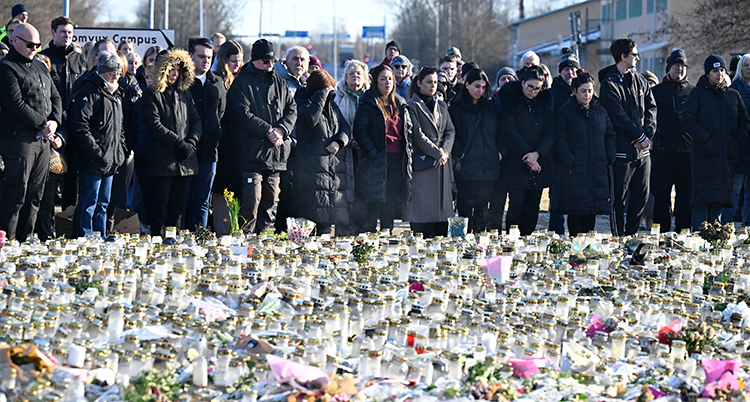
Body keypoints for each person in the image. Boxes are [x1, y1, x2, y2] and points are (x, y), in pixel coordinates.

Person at [226, 39, 296, 234]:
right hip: (251, 155)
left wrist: (282, 129)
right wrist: (268, 130)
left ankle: (262, 243)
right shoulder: (242, 82)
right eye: (266, 61)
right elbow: (241, 113)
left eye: (273, 61)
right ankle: (245, 243)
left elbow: (292, 109)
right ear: (255, 60)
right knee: (251, 201)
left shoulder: (280, 83)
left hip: (275, 155)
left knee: (269, 202)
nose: (270, 65)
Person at [0, 23, 63, 241]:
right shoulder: (6, 67)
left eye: (37, 44)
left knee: (36, 195)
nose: (34, 48)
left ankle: (26, 242)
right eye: (29, 44)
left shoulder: (40, 66)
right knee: (17, 193)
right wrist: (43, 124)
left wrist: (54, 121)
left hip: (42, 142)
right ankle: (7, 243)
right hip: (18, 140)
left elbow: (56, 97)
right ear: (15, 40)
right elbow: (15, 104)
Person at [682, 55, 750, 230]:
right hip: (704, 157)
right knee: (702, 202)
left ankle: (714, 243)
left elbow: (744, 122)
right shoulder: (697, 94)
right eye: (715, 70)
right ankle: (697, 241)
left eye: (722, 70)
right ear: (707, 73)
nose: (719, 74)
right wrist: (706, 139)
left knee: (718, 202)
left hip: (725, 158)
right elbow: (687, 120)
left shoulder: (733, 95)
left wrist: (736, 141)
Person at [141, 49, 202, 237]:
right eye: (171, 70)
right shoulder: (151, 95)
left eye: (178, 70)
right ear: (161, 71)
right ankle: (158, 244)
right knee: (159, 208)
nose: (175, 74)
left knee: (177, 208)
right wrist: (179, 143)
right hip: (162, 161)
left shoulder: (185, 93)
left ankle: (171, 242)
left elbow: (196, 120)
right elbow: (155, 126)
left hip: (184, 161)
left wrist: (191, 142)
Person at [599, 38, 657, 236]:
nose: (638, 58)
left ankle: (631, 236)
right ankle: (618, 238)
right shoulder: (609, 83)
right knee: (618, 200)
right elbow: (618, 117)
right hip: (622, 151)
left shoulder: (640, 80)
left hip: (643, 152)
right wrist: (639, 135)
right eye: (634, 54)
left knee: (641, 197)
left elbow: (652, 108)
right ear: (623, 57)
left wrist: (647, 135)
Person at [68, 51, 127, 237]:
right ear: (102, 72)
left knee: (103, 203)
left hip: (111, 159)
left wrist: (120, 151)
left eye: (119, 73)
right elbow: (78, 125)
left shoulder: (117, 94)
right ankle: (85, 240)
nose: (116, 77)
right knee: (89, 203)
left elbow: (120, 128)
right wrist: (96, 151)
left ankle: (100, 240)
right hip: (93, 159)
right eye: (112, 73)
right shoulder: (90, 90)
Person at [554, 71, 616, 235]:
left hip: (597, 167)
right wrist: (569, 158)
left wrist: (609, 156)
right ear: (574, 91)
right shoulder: (566, 112)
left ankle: (588, 248)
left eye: (590, 90)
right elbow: (559, 138)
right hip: (574, 169)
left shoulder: (600, 111)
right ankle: (575, 246)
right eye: (583, 91)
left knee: (591, 210)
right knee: (575, 210)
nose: (587, 95)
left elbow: (610, 134)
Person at [497, 66, 555, 236]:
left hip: (538, 162)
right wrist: (529, 156)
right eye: (530, 87)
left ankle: (527, 240)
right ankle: (512, 240)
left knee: (532, 207)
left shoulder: (545, 102)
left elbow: (551, 132)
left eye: (537, 88)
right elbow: (508, 131)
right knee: (516, 205)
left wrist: (537, 154)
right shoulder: (511, 100)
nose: (533, 92)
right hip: (516, 162)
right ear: (522, 83)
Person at [293, 70, 352, 234]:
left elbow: (345, 127)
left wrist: (338, 141)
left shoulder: (331, 105)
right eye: (326, 89)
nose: (329, 93)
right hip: (310, 170)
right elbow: (309, 120)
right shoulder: (301, 101)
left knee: (327, 220)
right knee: (310, 218)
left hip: (330, 170)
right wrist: (320, 98)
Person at [353, 64, 409, 233]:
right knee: (372, 203)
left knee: (390, 204)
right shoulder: (368, 102)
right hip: (375, 159)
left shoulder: (400, 102)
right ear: (375, 82)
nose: (388, 83)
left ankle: (387, 237)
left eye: (390, 79)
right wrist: (372, 152)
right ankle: (368, 241)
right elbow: (359, 131)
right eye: (383, 79)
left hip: (396, 160)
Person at [401, 66, 455, 237]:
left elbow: (450, 131)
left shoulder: (442, 105)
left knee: (441, 221)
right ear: (419, 83)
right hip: (425, 163)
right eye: (429, 82)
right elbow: (416, 133)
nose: (433, 86)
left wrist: (444, 152)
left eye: (435, 82)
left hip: (442, 164)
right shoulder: (410, 105)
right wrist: (437, 153)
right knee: (422, 220)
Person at [449, 68, 501, 233]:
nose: (480, 91)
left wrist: (500, 152)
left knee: (482, 211)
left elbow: (500, 133)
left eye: (484, 87)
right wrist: (459, 151)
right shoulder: (456, 108)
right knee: (464, 210)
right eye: (477, 86)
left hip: (488, 167)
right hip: (465, 168)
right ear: (467, 84)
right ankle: (460, 245)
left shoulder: (491, 108)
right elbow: (451, 134)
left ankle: (479, 246)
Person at [184, 37, 226, 231]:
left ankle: (199, 241)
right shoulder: (182, 82)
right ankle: (181, 240)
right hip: (185, 151)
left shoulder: (216, 82)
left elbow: (221, 113)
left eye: (209, 57)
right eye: (201, 56)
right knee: (183, 201)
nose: (206, 60)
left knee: (202, 201)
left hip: (209, 153)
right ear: (191, 56)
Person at [651, 49, 694, 232]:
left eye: (682, 66)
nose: (679, 69)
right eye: (676, 65)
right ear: (669, 68)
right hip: (662, 154)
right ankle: (660, 236)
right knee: (661, 198)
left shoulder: (693, 92)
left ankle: (682, 234)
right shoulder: (656, 92)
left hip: (687, 154)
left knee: (685, 199)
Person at [274, 46, 309, 233]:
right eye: (295, 59)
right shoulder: (281, 82)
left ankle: (295, 234)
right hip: (286, 146)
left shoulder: (304, 83)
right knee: (287, 194)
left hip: (303, 149)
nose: (299, 63)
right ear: (286, 61)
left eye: (303, 60)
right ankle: (281, 233)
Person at [334, 59, 369, 236]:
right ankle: (343, 230)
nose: (355, 76)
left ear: (365, 78)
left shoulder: (370, 97)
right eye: (351, 73)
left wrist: (362, 141)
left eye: (359, 73)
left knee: (363, 191)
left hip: (365, 151)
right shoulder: (337, 96)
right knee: (344, 192)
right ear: (345, 78)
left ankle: (362, 229)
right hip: (343, 150)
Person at [548, 47, 580, 235]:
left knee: (576, 196)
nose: (571, 72)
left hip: (579, 152)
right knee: (557, 196)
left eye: (574, 69)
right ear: (560, 71)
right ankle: (556, 233)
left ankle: (576, 233)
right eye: (567, 69)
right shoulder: (553, 94)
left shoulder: (582, 91)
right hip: (557, 154)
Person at [729, 54, 750, 227]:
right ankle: (726, 225)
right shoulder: (734, 89)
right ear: (740, 68)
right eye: (746, 65)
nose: (749, 68)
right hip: (739, 145)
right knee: (735, 189)